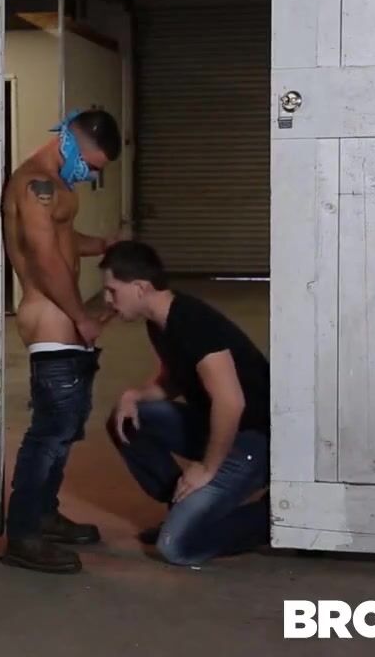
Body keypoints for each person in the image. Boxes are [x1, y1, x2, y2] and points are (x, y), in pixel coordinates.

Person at [0, 107, 124, 574]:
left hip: (62, 320)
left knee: (65, 427)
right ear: (71, 141)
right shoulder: (35, 184)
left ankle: (44, 516)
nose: (89, 174)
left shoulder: (52, 186)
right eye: (90, 165)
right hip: (50, 318)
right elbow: (46, 259)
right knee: (49, 432)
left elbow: (64, 241)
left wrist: (103, 246)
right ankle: (23, 535)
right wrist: (81, 317)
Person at [98, 240, 271, 566]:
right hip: (217, 426)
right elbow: (176, 380)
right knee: (130, 420)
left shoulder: (191, 322)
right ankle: (183, 507)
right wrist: (134, 395)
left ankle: (271, 519)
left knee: (177, 546)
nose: (107, 300)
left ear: (140, 288)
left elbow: (231, 402)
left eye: (112, 291)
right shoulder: (159, 322)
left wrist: (207, 468)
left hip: (254, 439)